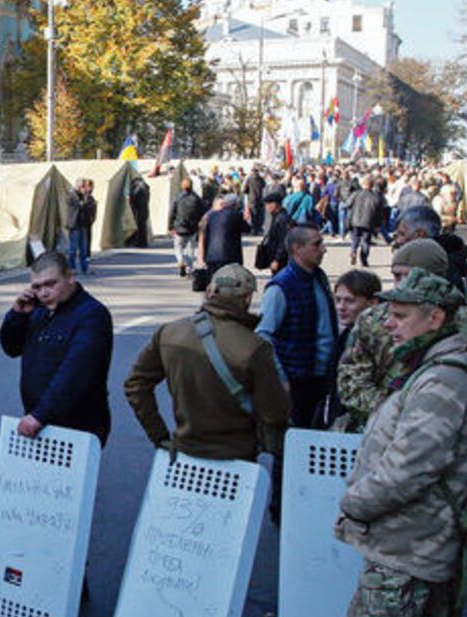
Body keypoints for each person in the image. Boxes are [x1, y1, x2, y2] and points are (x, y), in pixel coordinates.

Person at [332, 268, 467, 617]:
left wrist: (356, 502)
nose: (390, 326)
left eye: (400, 316)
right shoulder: (437, 367)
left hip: (410, 540)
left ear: (435, 317)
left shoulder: (443, 380)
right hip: (416, 536)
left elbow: (411, 466)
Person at [124, 263, 290, 461]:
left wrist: (159, 437)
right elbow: (275, 414)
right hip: (237, 459)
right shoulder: (255, 347)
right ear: (247, 298)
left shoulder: (169, 333)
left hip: (184, 453)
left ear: (210, 291)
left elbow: (135, 385)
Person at [337, 239, 467, 432]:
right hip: (378, 426)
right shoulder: (371, 321)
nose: (402, 286)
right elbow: (351, 382)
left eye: (411, 276)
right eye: (397, 276)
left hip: (445, 429)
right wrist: (394, 412)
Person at [256, 225, 336, 516]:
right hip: (296, 379)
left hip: (318, 376)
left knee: (314, 441)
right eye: (316, 244)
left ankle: (306, 501)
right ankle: (282, 507)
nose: (322, 248)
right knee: (289, 448)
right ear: (297, 249)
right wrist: (281, 378)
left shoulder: (318, 277)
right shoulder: (282, 286)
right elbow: (265, 334)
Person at [0, 251, 113, 445]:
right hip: (39, 420)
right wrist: (17, 315)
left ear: (70, 277)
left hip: (77, 426)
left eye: (50, 284)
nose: (43, 293)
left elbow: (76, 373)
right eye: (37, 287)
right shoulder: (38, 310)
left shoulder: (92, 315)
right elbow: (11, 348)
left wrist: (41, 415)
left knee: (66, 476)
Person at [314, 269, 381, 429]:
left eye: (350, 301)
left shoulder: (373, 339)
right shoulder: (347, 334)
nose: (341, 307)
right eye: (338, 300)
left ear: (372, 303)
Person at [199, 194, 250, 278]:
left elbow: (206, 237)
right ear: (235, 205)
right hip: (230, 257)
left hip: (212, 256)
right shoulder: (236, 215)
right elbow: (247, 229)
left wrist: (204, 256)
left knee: (214, 281)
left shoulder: (211, 216)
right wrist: (246, 219)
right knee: (228, 282)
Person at [169, 177, 205, 278]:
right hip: (192, 227)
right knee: (191, 248)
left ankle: (181, 261)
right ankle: (189, 268)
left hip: (180, 226)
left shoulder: (178, 197)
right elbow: (202, 212)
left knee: (178, 247)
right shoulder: (196, 198)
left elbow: (172, 212)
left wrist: (170, 226)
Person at [347, 175, 385, 268]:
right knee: (366, 241)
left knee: (355, 238)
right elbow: (379, 212)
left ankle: (353, 251)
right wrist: (378, 225)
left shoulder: (356, 194)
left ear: (363, 184)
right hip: (368, 221)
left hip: (355, 220)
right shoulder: (376, 197)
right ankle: (363, 259)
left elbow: (347, 204)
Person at [253, 190, 292, 275]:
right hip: (274, 257)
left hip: (281, 261)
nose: (266, 208)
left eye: (267, 205)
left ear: (274, 204)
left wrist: (277, 259)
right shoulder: (276, 217)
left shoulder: (282, 219)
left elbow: (284, 241)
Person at [66, 179, 97, 275]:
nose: (85, 188)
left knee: (84, 249)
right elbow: (80, 206)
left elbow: (90, 206)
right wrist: (85, 199)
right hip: (75, 225)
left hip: (83, 225)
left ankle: (85, 268)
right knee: (73, 249)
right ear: (79, 187)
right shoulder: (72, 195)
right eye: (83, 186)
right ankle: (71, 268)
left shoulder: (85, 196)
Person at [127, 175, 151, 247]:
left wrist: (130, 201)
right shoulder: (145, 187)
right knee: (143, 226)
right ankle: (143, 242)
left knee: (139, 226)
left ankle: (140, 242)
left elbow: (134, 196)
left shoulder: (137, 187)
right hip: (145, 209)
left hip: (139, 209)